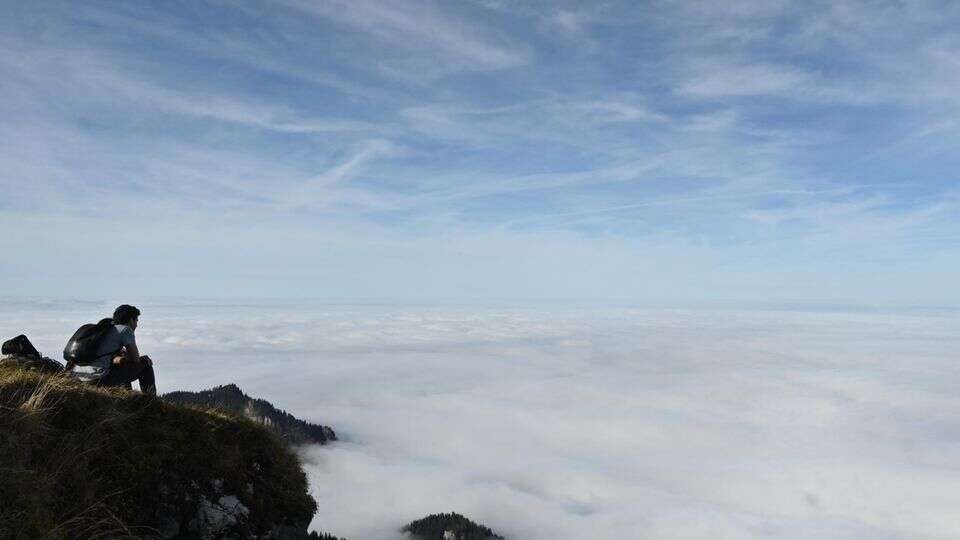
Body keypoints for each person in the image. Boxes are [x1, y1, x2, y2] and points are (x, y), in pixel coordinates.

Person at [69, 304, 157, 394]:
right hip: (99, 379)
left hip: (78, 376)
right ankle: (151, 401)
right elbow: (135, 359)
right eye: (136, 321)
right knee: (145, 364)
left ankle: (126, 394)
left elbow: (110, 358)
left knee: (122, 365)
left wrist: (122, 359)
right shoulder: (125, 330)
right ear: (131, 320)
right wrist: (141, 359)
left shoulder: (105, 329)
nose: (137, 325)